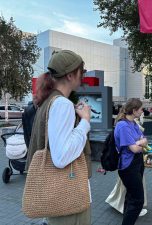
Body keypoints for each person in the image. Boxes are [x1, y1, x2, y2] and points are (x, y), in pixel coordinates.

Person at [25, 50, 92, 225]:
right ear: (70, 75)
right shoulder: (62, 104)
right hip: (68, 198)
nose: (83, 76)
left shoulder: (48, 100)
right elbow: (61, 157)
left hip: (57, 194)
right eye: (82, 71)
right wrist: (84, 121)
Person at [114, 98, 148, 225]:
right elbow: (134, 148)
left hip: (137, 163)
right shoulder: (123, 125)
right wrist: (140, 143)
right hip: (128, 167)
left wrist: (140, 142)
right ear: (134, 110)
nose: (142, 111)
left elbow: (144, 140)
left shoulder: (133, 123)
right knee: (138, 201)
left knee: (131, 196)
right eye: (141, 109)